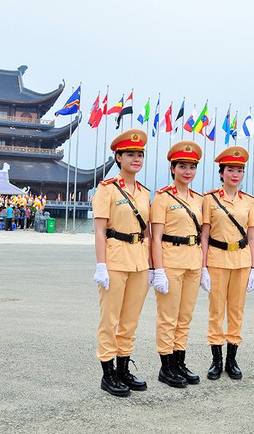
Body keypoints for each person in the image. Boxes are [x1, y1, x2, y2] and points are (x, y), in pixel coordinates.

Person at [92, 128, 152, 397]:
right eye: (130, 154)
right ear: (118, 157)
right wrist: (101, 264)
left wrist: (152, 266)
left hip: (139, 261)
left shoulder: (143, 192)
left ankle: (123, 368)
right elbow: (100, 231)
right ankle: (107, 374)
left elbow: (148, 231)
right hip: (115, 259)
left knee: (130, 320)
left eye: (139, 154)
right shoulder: (107, 190)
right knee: (110, 319)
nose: (136, 159)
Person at [200, 146, 254, 381]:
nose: (235, 174)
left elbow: (252, 235)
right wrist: (203, 267)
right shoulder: (210, 200)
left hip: (242, 261)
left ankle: (232, 360)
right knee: (216, 311)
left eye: (239, 170)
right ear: (221, 172)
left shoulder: (248, 202)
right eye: (230, 170)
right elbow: (204, 234)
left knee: (236, 311)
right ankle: (216, 360)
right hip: (216, 259)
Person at [150, 140, 204, 388]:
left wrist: (203, 267)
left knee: (185, 316)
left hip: (193, 261)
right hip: (171, 260)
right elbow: (156, 236)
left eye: (192, 167)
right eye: (182, 166)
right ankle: (166, 366)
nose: (187, 171)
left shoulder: (198, 199)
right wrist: (157, 269)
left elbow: (202, 234)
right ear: (173, 168)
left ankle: (180, 362)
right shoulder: (162, 197)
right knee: (168, 317)